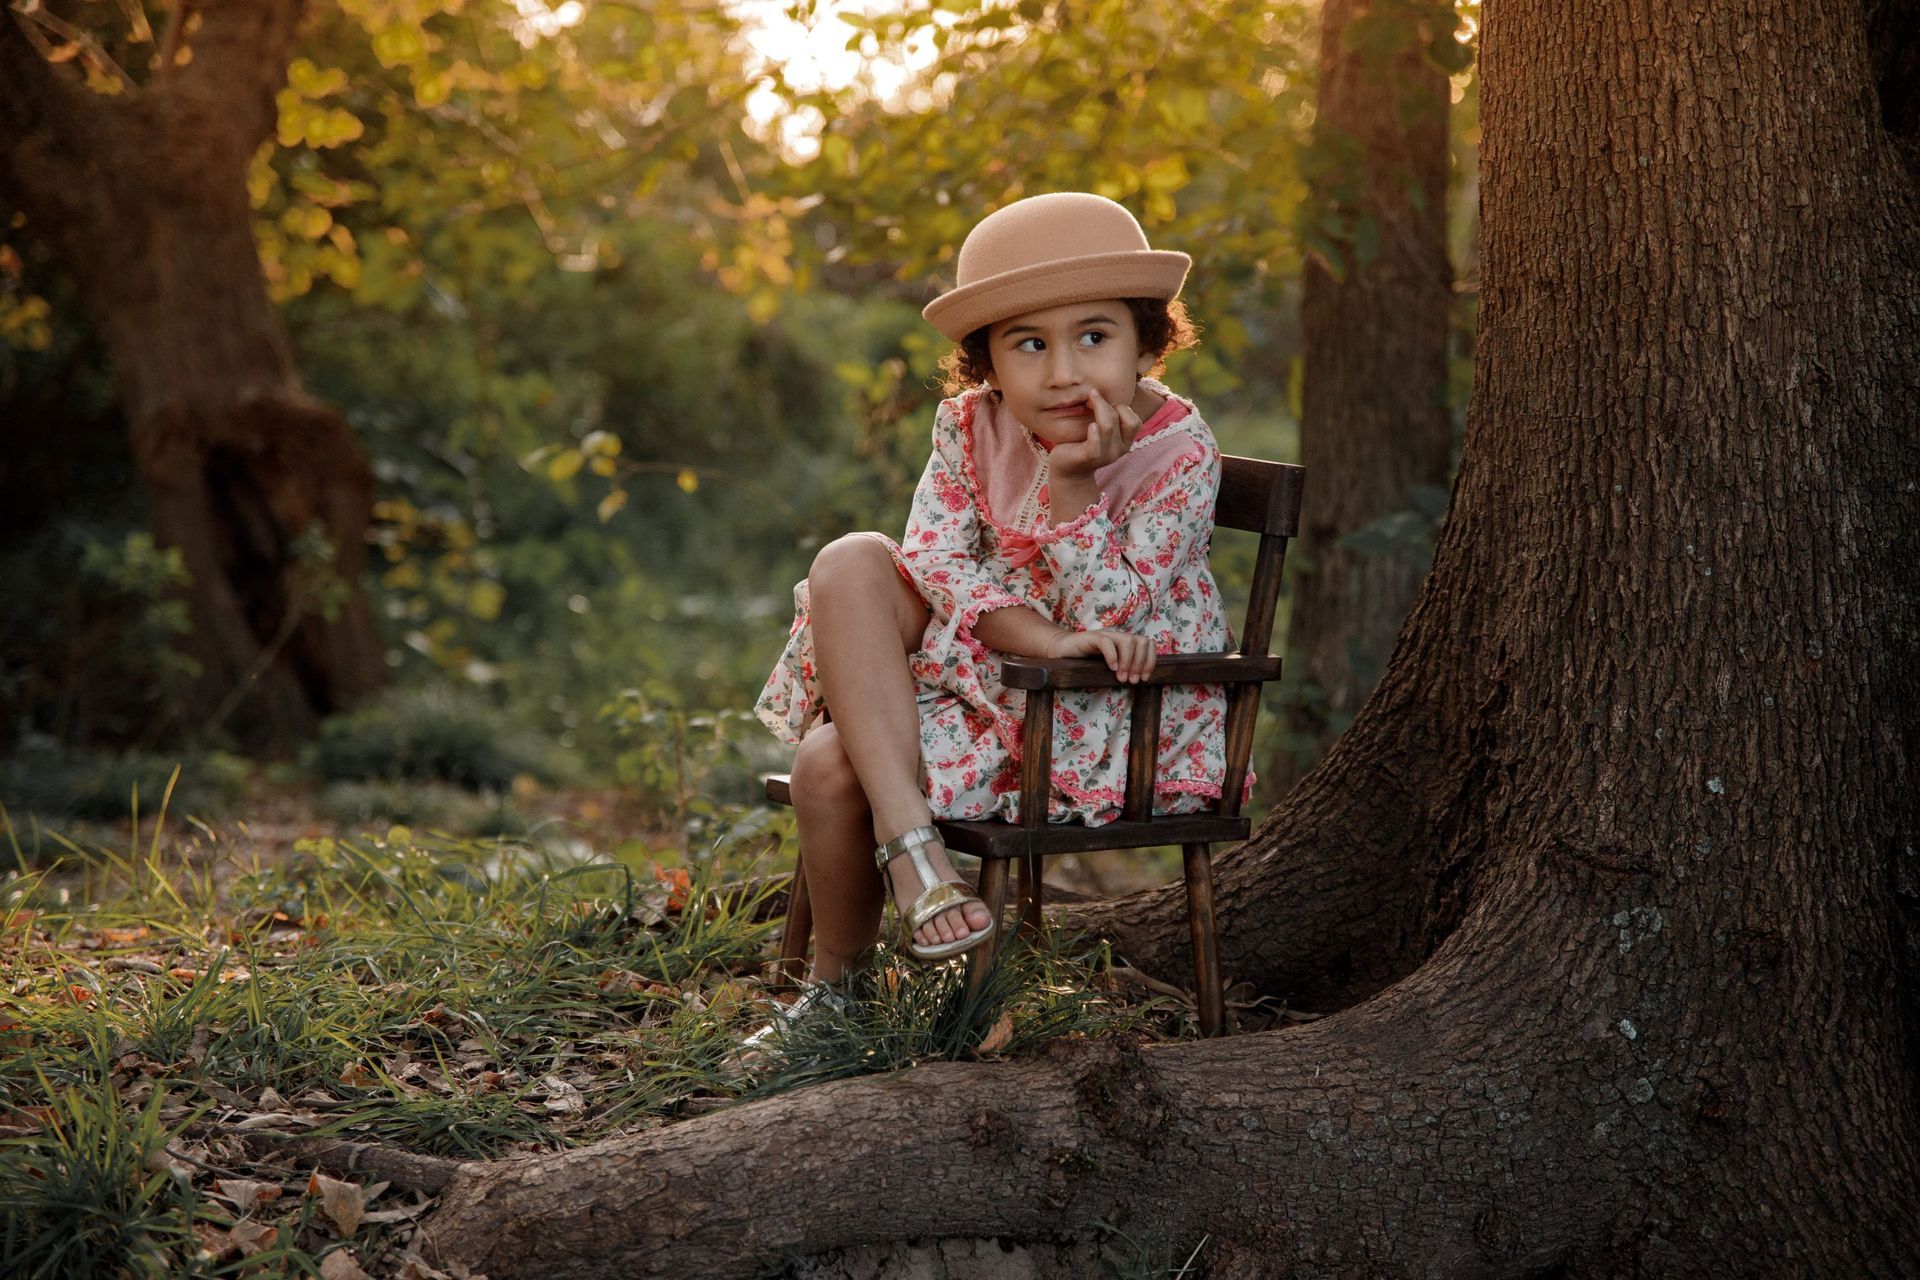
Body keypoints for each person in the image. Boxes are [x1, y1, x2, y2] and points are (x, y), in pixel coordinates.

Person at [740, 192, 1243, 1051]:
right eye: (1029, 344)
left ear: (1147, 341)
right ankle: (901, 886)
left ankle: (857, 951)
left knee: (830, 760)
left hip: (1100, 718)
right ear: (989, 364)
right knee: (851, 560)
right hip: (997, 674)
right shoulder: (971, 427)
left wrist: (1076, 487)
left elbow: (1108, 618)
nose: (1062, 373)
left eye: (1094, 336)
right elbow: (934, 558)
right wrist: (1029, 634)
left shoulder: (1181, 454)